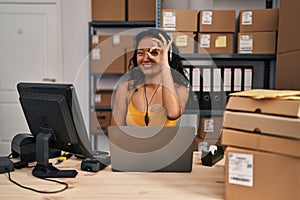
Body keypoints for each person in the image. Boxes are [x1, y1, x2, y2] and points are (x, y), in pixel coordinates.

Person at [111, 28, 190, 126]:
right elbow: (115, 133)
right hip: (131, 142)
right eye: (140, 53)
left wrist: (164, 65)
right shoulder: (125, 88)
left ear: (168, 56)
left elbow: (172, 114)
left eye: (154, 52)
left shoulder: (180, 90)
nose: (145, 58)